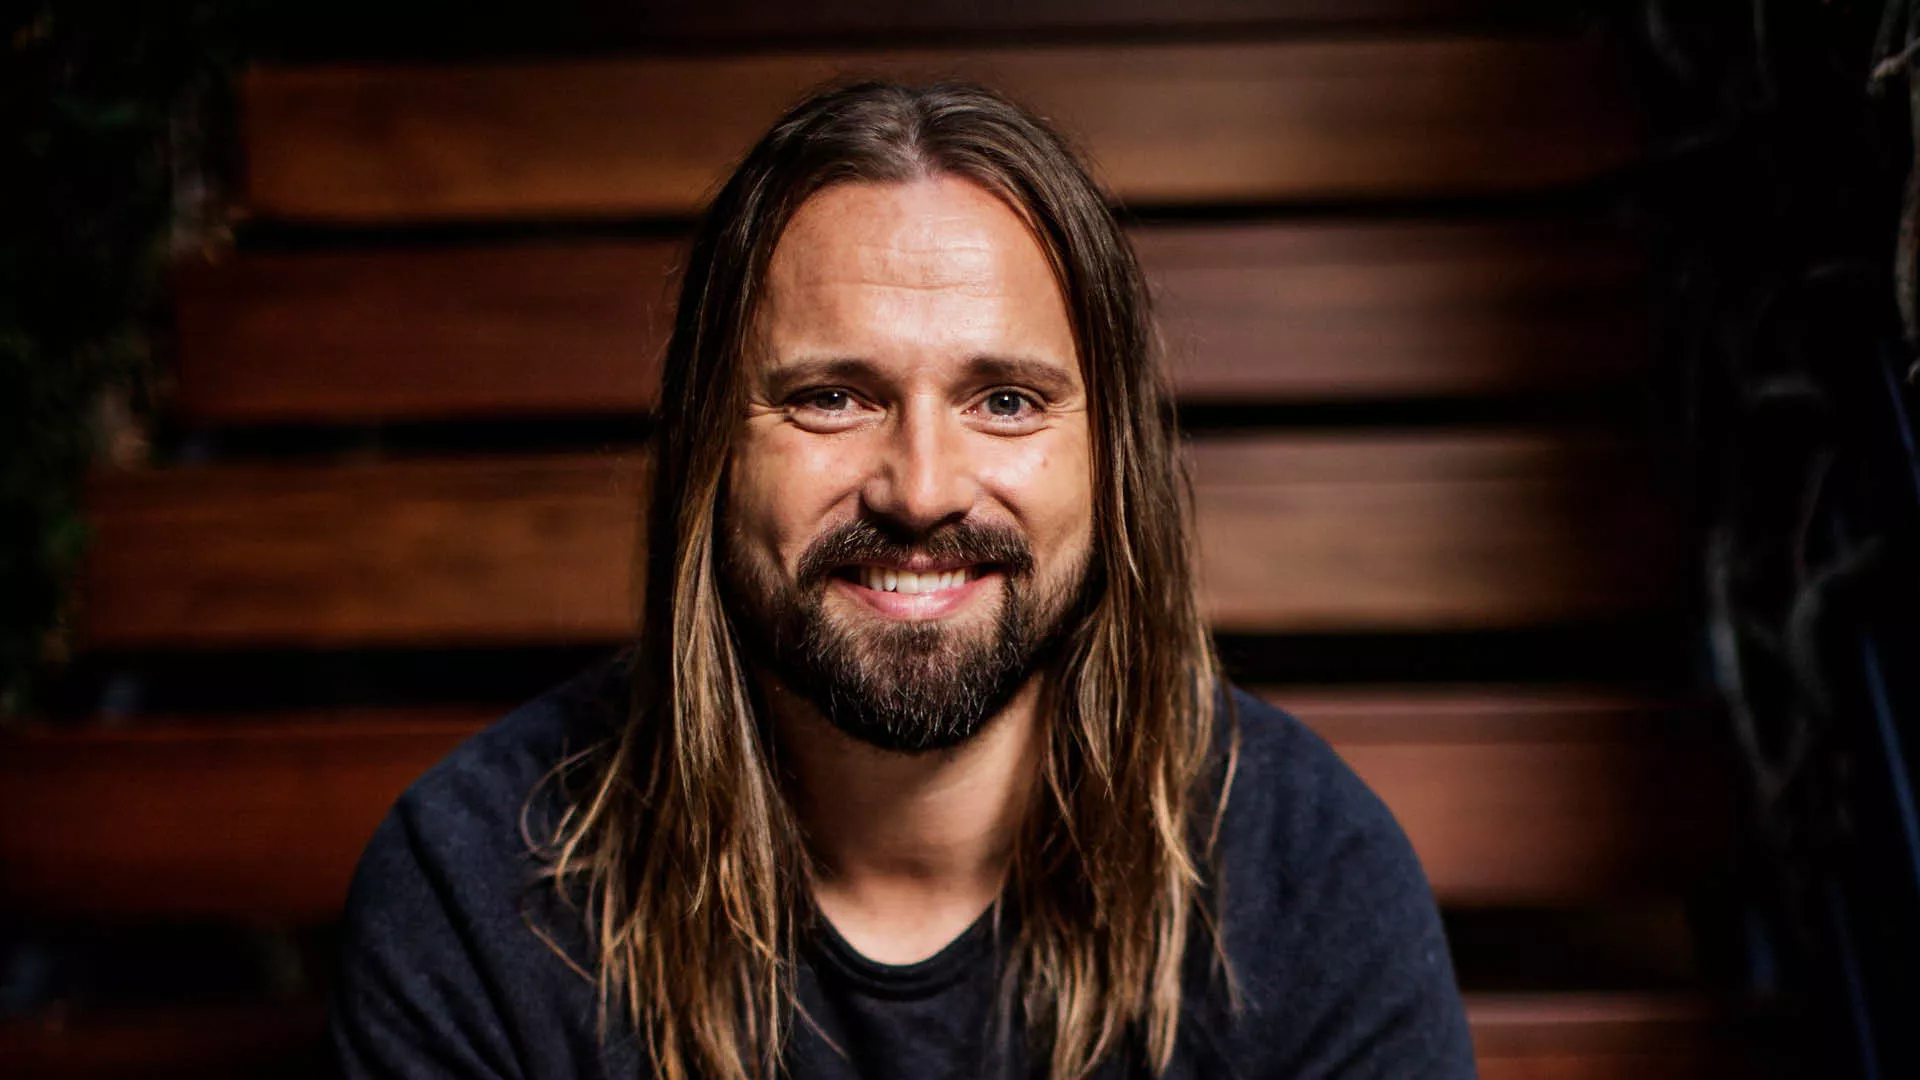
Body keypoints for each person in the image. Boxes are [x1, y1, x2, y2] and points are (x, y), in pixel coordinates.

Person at [328, 81, 1476, 1080]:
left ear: (1112, 461)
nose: (922, 491)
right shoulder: (477, 888)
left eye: (1006, 401)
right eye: (831, 397)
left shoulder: (1306, 874)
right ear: (707, 452)